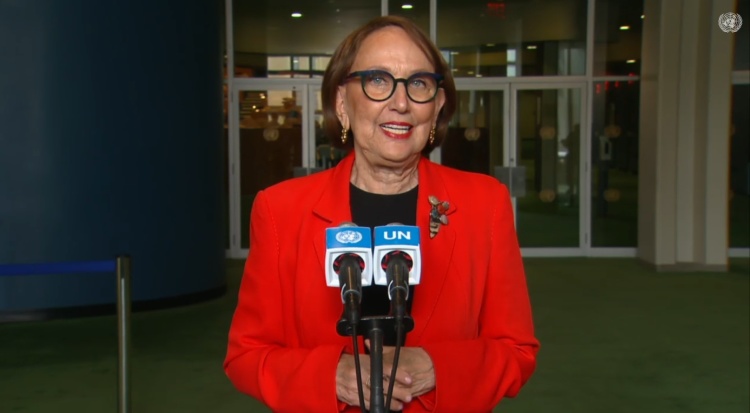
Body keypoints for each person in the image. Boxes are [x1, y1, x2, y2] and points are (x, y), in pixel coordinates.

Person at [224, 16, 539, 413]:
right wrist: (331, 376)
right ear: (342, 102)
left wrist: (436, 367)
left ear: (438, 106)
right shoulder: (280, 210)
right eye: (377, 80)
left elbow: (516, 351)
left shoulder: (485, 203)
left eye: (418, 83)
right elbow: (247, 356)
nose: (401, 102)